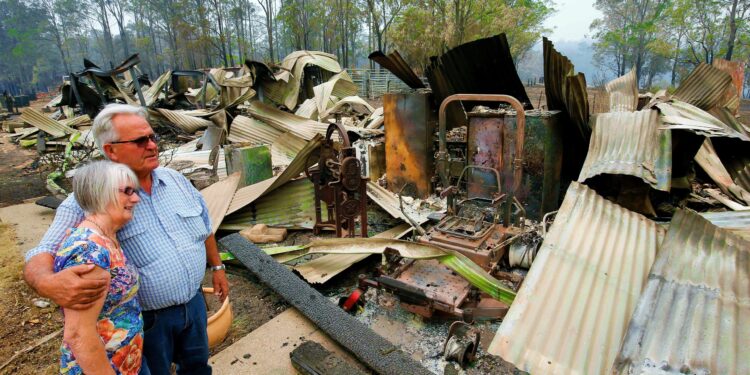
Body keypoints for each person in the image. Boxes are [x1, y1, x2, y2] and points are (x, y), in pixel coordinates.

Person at [24, 104, 229, 375]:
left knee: (197, 367)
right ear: (111, 150)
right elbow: (44, 250)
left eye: (153, 137)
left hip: (193, 304)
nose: (152, 146)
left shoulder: (176, 180)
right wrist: (46, 282)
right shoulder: (94, 197)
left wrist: (217, 268)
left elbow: (204, 227)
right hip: (150, 320)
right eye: (140, 140)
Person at [56, 160, 143, 374]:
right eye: (128, 191)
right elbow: (77, 333)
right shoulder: (88, 250)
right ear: (101, 193)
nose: (136, 198)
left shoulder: (107, 238)